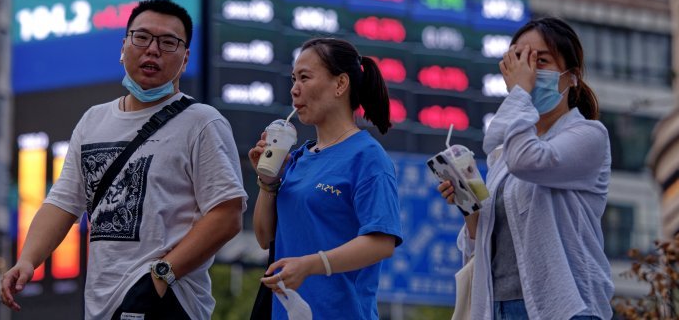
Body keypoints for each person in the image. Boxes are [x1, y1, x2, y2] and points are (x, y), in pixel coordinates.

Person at [0, 0, 247, 319]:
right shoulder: (93, 120)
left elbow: (226, 215)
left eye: (168, 42)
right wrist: (27, 261)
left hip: (169, 301)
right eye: (141, 37)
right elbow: (62, 203)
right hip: (101, 304)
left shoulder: (202, 122)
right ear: (123, 46)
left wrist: (160, 275)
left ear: (185, 59)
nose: (153, 49)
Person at [437, 17, 613, 320]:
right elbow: (483, 244)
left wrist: (519, 93)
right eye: (518, 60)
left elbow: (528, 161)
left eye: (540, 61)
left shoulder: (590, 136)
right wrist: (471, 207)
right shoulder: (505, 152)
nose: (528, 72)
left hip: (565, 308)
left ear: (572, 76)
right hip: (499, 306)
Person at [249, 37, 403, 319]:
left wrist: (311, 265)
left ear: (340, 84)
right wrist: (268, 181)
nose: (295, 89)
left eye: (305, 78)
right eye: (293, 79)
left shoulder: (368, 157)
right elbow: (264, 236)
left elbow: (382, 242)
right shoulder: (297, 158)